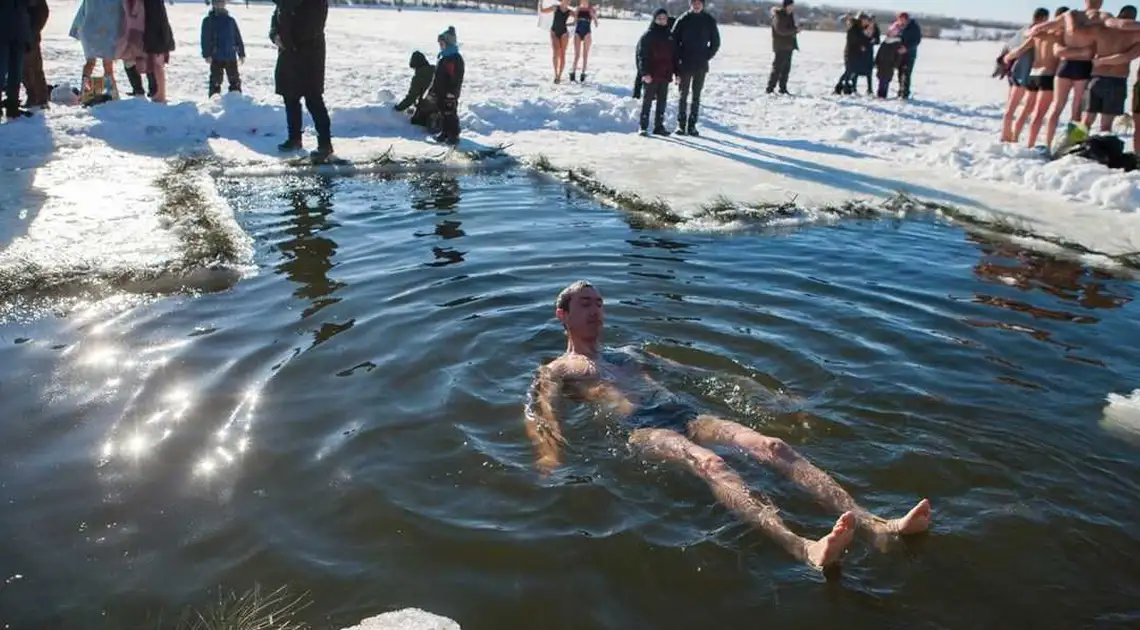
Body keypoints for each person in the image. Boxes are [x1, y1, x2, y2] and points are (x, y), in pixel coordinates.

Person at [523, 281, 934, 570]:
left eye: (599, 302)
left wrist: (771, 398)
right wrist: (548, 453)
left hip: (686, 414)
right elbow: (541, 413)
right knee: (714, 466)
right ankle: (804, 547)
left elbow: (699, 374)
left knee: (773, 446)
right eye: (585, 304)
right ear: (563, 315)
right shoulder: (558, 369)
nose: (596, 310)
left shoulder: (628, 353)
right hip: (644, 427)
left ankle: (878, 524)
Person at [271, 0, 334, 159]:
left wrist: (288, 41)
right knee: (290, 98)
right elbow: (275, 21)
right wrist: (275, 36)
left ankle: (325, 144)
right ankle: (294, 139)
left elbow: (310, 28)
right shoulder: (284, 4)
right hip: (288, 55)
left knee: (313, 100)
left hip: (309, 56)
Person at [1004, 6, 1070, 150]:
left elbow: (1020, 50)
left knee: (1027, 109)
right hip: (1048, 75)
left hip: (1034, 74)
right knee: (1040, 113)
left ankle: (1015, 137)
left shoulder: (1040, 32)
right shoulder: (1062, 34)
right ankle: (1031, 144)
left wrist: (1007, 57)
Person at [1082, 6, 1140, 134]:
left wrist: (1099, 61)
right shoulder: (1136, 34)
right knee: (1106, 126)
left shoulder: (1101, 29)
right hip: (1116, 80)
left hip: (1095, 78)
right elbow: (1127, 57)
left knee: (1085, 122)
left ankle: (1075, 148)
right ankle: (1101, 152)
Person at [1000, 8, 1049, 143]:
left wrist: (1007, 58)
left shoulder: (1023, 30)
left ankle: (1009, 134)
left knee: (1016, 106)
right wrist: (1010, 56)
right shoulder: (1035, 32)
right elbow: (1018, 50)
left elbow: (1009, 46)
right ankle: (1006, 136)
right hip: (1023, 73)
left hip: (1016, 72)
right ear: (1043, 18)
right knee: (1014, 107)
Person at [671, 0, 719, 136]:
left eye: (699, 3)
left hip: (701, 64)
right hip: (685, 63)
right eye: (694, 3)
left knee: (696, 96)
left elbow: (716, 42)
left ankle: (692, 125)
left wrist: (707, 55)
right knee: (683, 95)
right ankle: (681, 125)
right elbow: (673, 41)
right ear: (690, 4)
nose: (696, 5)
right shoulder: (683, 19)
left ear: (703, 4)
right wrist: (680, 57)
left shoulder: (709, 20)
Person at [69, 0, 125, 104]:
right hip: (105, 30)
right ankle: (112, 94)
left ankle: (87, 93)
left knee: (91, 63)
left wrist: (76, 27)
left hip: (90, 30)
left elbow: (82, 12)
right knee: (107, 65)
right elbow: (120, 14)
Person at [636, 8, 676, 137]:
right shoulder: (648, 35)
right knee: (647, 101)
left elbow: (674, 55)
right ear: (655, 19)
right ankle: (643, 126)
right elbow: (642, 56)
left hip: (665, 73)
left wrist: (676, 72)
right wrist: (645, 73)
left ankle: (659, 126)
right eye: (659, 18)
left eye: (664, 18)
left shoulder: (670, 35)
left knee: (662, 101)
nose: (662, 20)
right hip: (651, 74)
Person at [201, 0, 246, 97]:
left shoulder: (230, 21)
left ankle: (236, 99)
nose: (219, 4)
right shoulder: (208, 21)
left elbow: (237, 37)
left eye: (222, 2)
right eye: (217, 2)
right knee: (216, 81)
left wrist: (241, 53)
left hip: (230, 56)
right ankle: (213, 100)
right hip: (216, 56)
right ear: (213, 4)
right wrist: (207, 54)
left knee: (234, 80)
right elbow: (205, 39)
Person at [430, 26, 463, 145]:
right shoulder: (444, 57)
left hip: (450, 92)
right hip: (440, 91)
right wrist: (433, 90)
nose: (440, 46)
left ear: (448, 43)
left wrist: (452, 92)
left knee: (450, 113)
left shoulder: (455, 59)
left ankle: (454, 135)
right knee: (443, 112)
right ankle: (444, 132)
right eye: (439, 43)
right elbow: (438, 77)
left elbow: (456, 78)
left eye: (442, 43)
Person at [1, 0, 33, 119]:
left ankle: (12, 106)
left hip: (20, 31)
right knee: (1, 70)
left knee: (16, 72)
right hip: (3, 31)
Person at [394, 50, 438, 131]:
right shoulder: (435, 70)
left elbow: (411, 97)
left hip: (429, 104)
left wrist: (398, 108)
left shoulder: (419, 77)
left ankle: (431, 119)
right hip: (442, 102)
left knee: (415, 121)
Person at [142, 0, 175, 102]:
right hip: (155, 34)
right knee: (155, 65)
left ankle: (161, 94)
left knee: (157, 65)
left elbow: (161, 18)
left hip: (157, 35)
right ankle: (160, 93)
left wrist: (165, 38)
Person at [20, 0, 49, 110]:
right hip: (18, 32)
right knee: (24, 69)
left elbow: (42, 12)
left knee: (33, 66)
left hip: (29, 34)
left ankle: (40, 98)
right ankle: (33, 96)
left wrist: (32, 32)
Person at [835, 12, 871, 96]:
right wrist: (861, 46)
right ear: (861, 20)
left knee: (852, 71)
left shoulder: (861, 28)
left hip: (856, 54)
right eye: (865, 20)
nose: (867, 22)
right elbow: (854, 40)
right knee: (849, 71)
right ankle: (840, 87)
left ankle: (846, 87)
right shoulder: (854, 28)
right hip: (850, 53)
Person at [767, 0, 798, 95]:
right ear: (786, 6)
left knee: (786, 69)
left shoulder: (790, 15)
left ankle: (783, 88)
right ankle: (770, 88)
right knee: (777, 68)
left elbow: (789, 28)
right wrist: (795, 30)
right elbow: (781, 30)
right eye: (791, 6)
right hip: (780, 46)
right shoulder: (779, 15)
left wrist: (795, 29)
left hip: (788, 46)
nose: (792, 8)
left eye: (793, 6)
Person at [540, 0, 573, 84]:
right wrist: (540, 3)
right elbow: (543, 11)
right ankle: (555, 74)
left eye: (569, 1)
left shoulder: (570, 12)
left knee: (562, 54)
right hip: (554, 31)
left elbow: (578, 18)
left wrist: (570, 24)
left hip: (564, 33)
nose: (568, 2)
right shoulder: (555, 7)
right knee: (555, 52)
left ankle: (559, 76)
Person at [569, 0, 597, 83]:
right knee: (576, 55)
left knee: (585, 55)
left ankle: (583, 73)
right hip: (578, 32)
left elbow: (596, 22)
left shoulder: (591, 9)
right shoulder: (578, 9)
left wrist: (593, 16)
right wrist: (566, 24)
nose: (584, 2)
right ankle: (573, 73)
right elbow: (574, 22)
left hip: (587, 33)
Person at [896, 12, 921, 99]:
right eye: (899, 19)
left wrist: (906, 48)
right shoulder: (899, 26)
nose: (901, 21)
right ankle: (901, 90)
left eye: (902, 19)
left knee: (906, 73)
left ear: (907, 19)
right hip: (900, 54)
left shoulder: (914, 27)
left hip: (910, 54)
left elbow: (917, 41)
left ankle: (905, 93)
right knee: (900, 73)